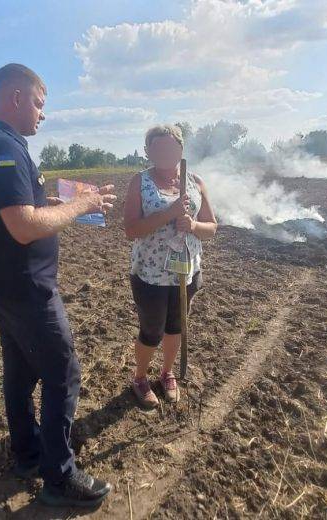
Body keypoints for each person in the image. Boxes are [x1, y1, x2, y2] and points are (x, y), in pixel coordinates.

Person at [0, 63, 116, 507]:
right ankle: (59, 476)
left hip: (7, 279)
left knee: (21, 369)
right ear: (15, 97)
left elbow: (21, 204)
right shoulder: (0, 149)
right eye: (38, 103)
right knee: (62, 372)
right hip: (27, 286)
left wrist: (74, 202)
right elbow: (24, 225)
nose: (42, 115)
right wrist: (80, 205)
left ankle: (28, 453)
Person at [123, 125, 218, 408]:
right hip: (150, 273)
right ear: (148, 152)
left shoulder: (196, 181)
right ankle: (140, 378)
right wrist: (169, 213)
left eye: (170, 148)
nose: (165, 153)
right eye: (158, 148)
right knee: (151, 331)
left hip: (185, 271)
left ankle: (167, 373)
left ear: (180, 149)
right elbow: (131, 230)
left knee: (176, 327)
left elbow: (211, 228)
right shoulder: (139, 182)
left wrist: (193, 224)